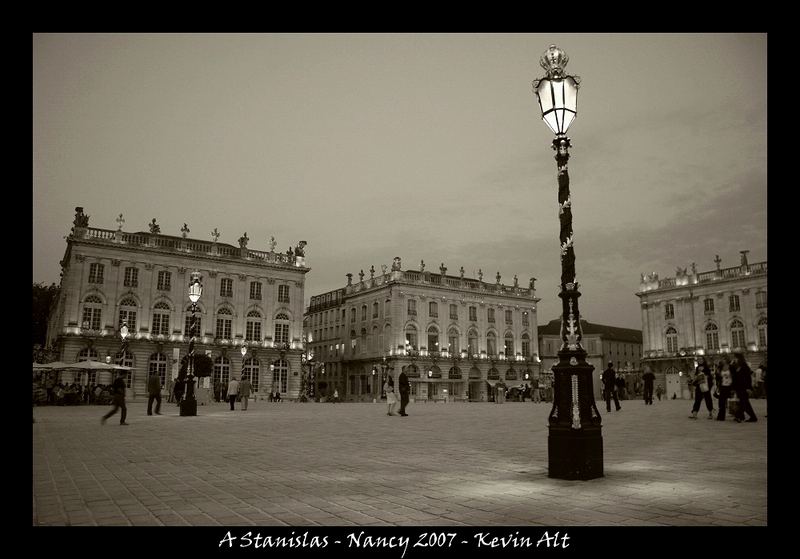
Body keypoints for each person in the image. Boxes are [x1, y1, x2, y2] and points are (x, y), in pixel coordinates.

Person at [731, 352, 757, 423]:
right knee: (744, 403)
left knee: (744, 403)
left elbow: (748, 378)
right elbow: (734, 377)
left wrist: (748, 388)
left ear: (739, 358)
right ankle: (742, 416)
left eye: (735, 357)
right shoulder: (736, 366)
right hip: (739, 387)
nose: (734, 359)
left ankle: (746, 416)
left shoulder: (744, 366)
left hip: (744, 387)